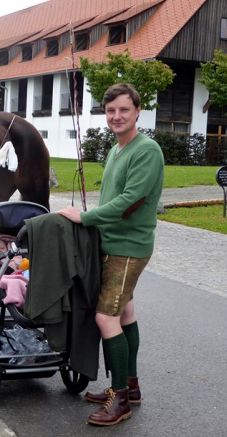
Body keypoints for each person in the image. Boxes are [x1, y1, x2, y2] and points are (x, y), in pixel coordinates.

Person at [56, 83, 164, 426]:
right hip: (112, 244)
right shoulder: (116, 149)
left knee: (105, 317)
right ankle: (129, 386)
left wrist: (85, 217)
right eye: (111, 111)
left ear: (137, 111)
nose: (117, 116)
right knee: (125, 312)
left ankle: (120, 401)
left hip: (129, 248)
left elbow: (129, 201)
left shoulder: (146, 150)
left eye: (124, 110)